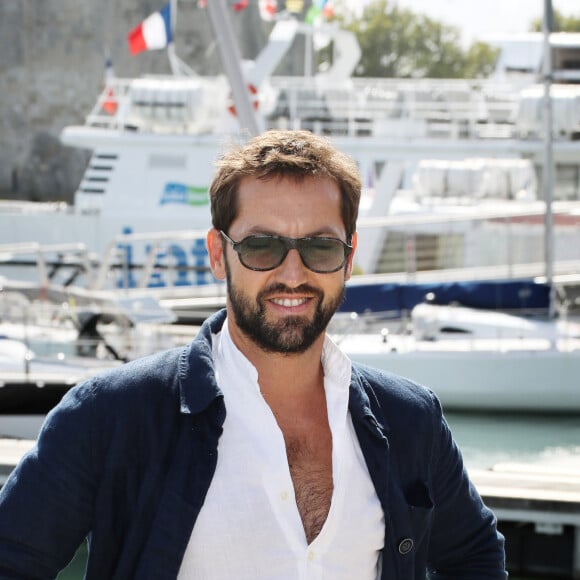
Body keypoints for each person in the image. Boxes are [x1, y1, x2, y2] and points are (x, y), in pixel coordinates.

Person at [0, 129, 507, 579]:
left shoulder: (411, 420)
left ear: (349, 259)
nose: (293, 273)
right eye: (262, 247)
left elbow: (475, 557)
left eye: (320, 248)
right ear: (219, 255)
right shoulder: (111, 415)